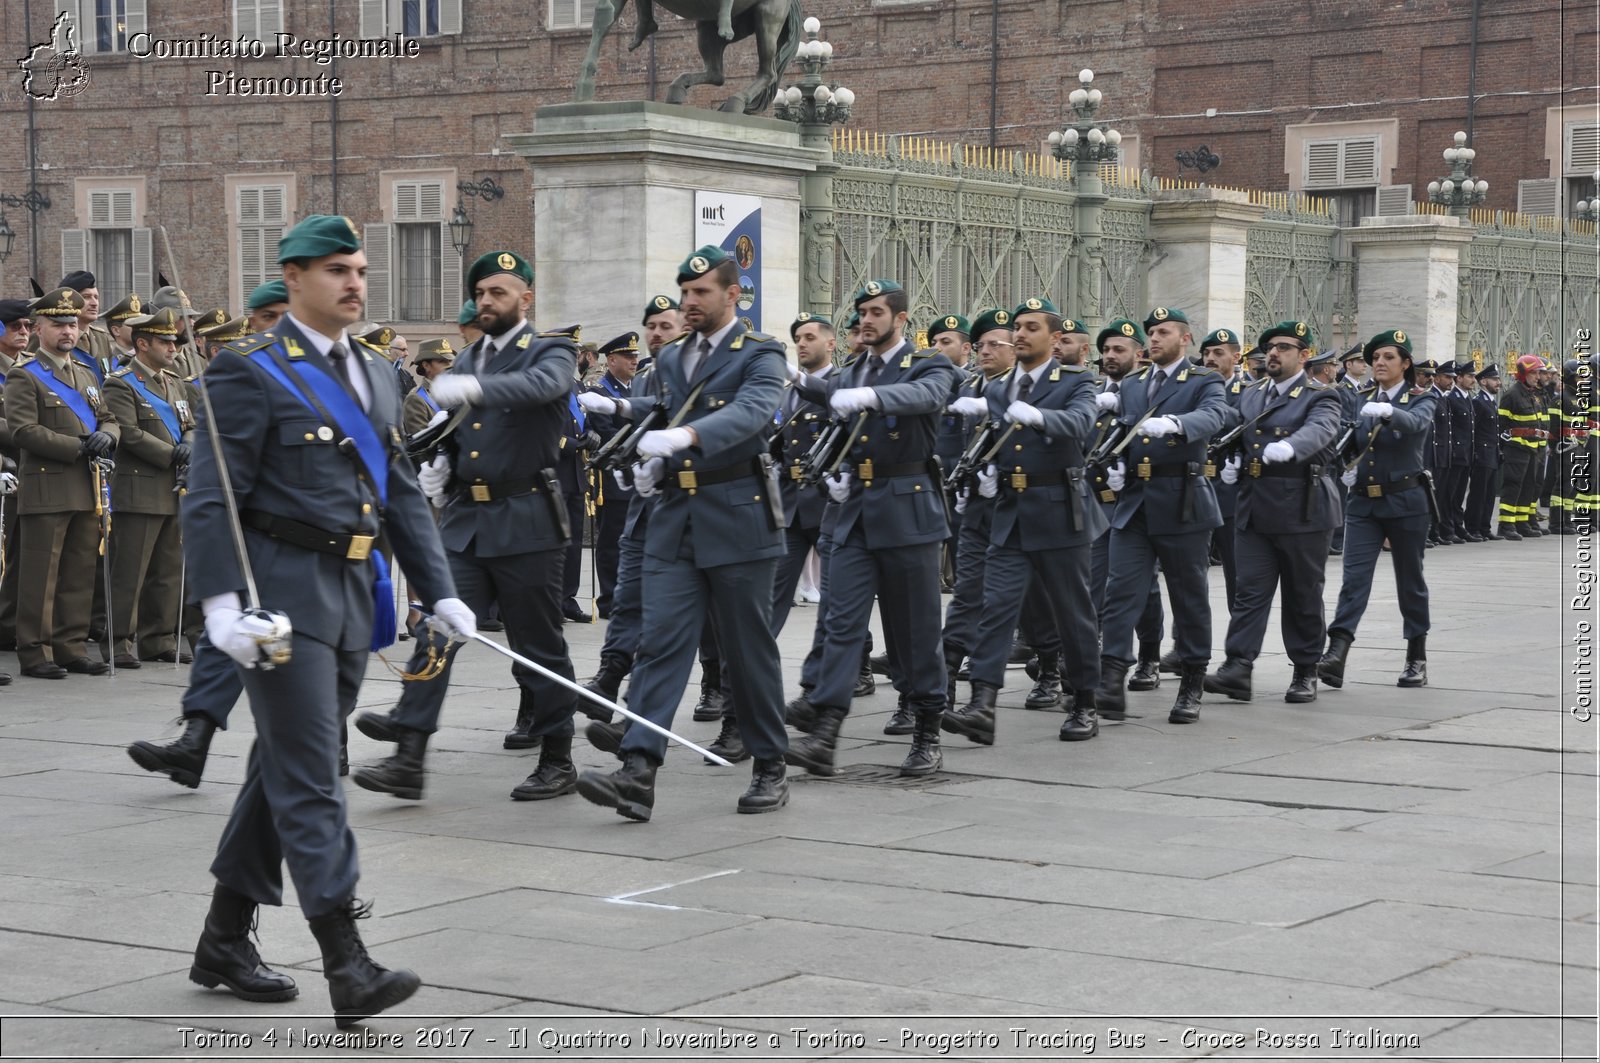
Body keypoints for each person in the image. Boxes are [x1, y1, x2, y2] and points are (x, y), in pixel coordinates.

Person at [180, 215, 468, 1025]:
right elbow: (214, 492)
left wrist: (438, 588)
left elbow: (400, 487)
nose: (354, 283)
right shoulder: (251, 371)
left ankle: (224, 937)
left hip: (351, 592)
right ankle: (347, 960)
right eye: (337, 269)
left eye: (360, 270)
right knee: (313, 774)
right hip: (281, 594)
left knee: (285, 765)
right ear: (295, 276)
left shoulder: (378, 373)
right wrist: (221, 605)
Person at [352, 249, 581, 803]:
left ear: (525, 298)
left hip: (527, 519)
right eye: (480, 293)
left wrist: (474, 390)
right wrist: (440, 456)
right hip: (468, 521)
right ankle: (410, 753)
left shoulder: (551, 351)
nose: (486, 302)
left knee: (538, 645)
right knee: (438, 627)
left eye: (497, 293)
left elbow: (542, 389)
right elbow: (460, 427)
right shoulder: (471, 358)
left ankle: (557, 754)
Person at [575, 245, 792, 819]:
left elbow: (753, 413)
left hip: (739, 517)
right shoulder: (670, 360)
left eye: (701, 293)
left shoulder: (762, 353)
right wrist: (646, 448)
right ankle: (638, 771)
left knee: (749, 652)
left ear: (732, 294)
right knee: (662, 644)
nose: (690, 302)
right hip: (675, 520)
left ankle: (770, 763)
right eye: (686, 292)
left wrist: (685, 440)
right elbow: (664, 409)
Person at [782, 279, 960, 778]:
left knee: (915, 630)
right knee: (840, 622)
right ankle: (825, 731)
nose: (866, 319)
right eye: (861, 311)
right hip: (853, 509)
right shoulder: (853, 370)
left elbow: (926, 395)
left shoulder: (928, 363)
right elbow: (827, 396)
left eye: (876, 311)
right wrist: (792, 378)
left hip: (908, 512)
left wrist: (870, 398)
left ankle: (927, 730)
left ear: (901, 318)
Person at [942, 297, 1103, 744]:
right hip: (1010, 512)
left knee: (1074, 614)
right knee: (997, 609)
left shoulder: (1076, 380)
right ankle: (982, 705)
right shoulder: (996, 388)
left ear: (1054, 339)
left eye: (1032, 327)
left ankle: (1086, 700)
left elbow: (1081, 423)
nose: (1021, 333)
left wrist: (1040, 418)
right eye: (1018, 326)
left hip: (1058, 511)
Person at [1093, 307, 1232, 724]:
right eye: (1151, 332)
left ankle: (1192, 680)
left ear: (1185, 340)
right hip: (1135, 502)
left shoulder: (1203, 380)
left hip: (1182, 501)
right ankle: (1112, 679)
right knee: (1121, 593)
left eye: (1163, 332)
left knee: (1188, 597)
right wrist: (1114, 462)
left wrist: (1176, 423)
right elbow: (1120, 428)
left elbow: (1216, 416)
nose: (1154, 339)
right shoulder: (1133, 384)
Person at [1203, 322, 1342, 704]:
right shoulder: (1250, 394)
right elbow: (1232, 429)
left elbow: (1321, 430)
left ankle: (1306, 669)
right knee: (1249, 592)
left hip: (1302, 506)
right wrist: (1230, 459)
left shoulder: (1320, 395)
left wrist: (1292, 447)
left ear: (1304, 355)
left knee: (1302, 594)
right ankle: (1238, 667)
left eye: (1284, 347)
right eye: (1269, 348)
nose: (1274, 354)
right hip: (1255, 505)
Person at [4, 287, 120, 679]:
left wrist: (108, 436)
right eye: (58, 324)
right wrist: (79, 446)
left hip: (87, 485)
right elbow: (24, 431)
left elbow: (108, 417)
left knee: (78, 570)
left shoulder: (86, 374)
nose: (68, 331)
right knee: (41, 574)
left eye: (71, 324)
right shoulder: (25, 375)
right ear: (39, 329)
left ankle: (70, 646)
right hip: (47, 486)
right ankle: (35, 652)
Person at [1317, 329, 1437, 689]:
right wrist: (1344, 469)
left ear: (1405, 364)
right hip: (1364, 503)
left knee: (1410, 581)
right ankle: (1337, 652)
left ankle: (1416, 655)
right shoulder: (1359, 398)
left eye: (1388, 357)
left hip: (1406, 502)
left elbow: (1416, 424)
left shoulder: (1421, 398)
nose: (1380, 363)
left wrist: (1390, 412)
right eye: (1376, 358)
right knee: (1353, 580)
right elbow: (1343, 439)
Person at [104, 306, 197, 668]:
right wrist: (174, 454)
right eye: (164, 341)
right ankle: (119, 643)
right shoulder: (121, 382)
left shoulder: (173, 382)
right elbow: (128, 433)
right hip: (140, 487)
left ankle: (158, 638)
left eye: (174, 341)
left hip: (173, 487)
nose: (173, 348)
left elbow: (188, 423)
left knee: (167, 570)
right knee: (130, 571)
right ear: (142, 344)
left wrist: (189, 443)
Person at [584, 331, 641, 617]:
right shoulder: (600, 393)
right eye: (628, 356)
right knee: (612, 542)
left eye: (635, 356)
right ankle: (609, 600)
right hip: (614, 478)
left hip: (641, 477)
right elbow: (608, 434)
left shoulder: (637, 391)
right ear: (612, 359)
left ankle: (631, 595)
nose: (634, 361)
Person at [1495, 354, 1548, 540]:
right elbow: (1502, 425)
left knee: (1528, 486)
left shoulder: (1533, 394)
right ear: (1523, 373)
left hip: (1533, 448)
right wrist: (1506, 446)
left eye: (1538, 373)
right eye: (1534, 373)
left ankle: (1522, 522)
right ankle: (1506, 524)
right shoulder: (1512, 395)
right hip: (1516, 448)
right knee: (1513, 485)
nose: (1537, 376)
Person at [1464, 362, 1501, 540]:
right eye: (1494, 379)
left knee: (1489, 494)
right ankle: (1473, 527)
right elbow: (1475, 431)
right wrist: (1475, 453)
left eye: (1498, 379)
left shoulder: (1491, 402)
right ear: (1483, 382)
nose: (1498, 382)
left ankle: (1485, 528)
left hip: (1492, 453)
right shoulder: (1478, 402)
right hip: (1482, 453)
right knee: (1478, 493)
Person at [400, 338, 455, 438]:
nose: (449, 366)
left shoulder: (455, 392)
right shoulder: (416, 398)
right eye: (443, 361)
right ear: (426, 365)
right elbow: (421, 443)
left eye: (450, 361)